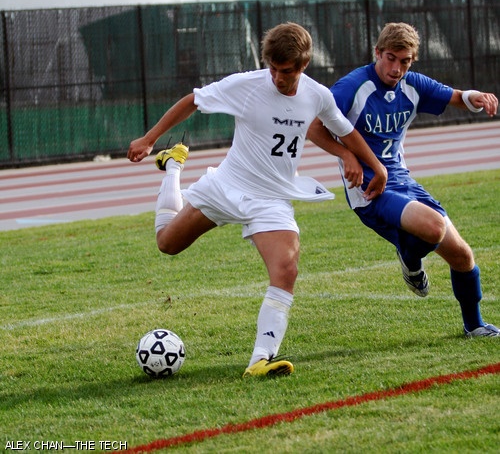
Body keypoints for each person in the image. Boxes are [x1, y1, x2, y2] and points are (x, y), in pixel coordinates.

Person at [127, 22, 388, 377]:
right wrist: (149, 138)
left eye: (288, 71)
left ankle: (260, 359)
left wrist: (370, 164)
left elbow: (346, 131)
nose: (279, 78)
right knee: (167, 244)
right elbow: (193, 100)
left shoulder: (317, 95)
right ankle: (173, 166)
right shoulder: (247, 85)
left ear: (304, 65)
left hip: (272, 199)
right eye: (274, 69)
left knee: (286, 269)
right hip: (227, 187)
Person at [308, 22, 499, 337]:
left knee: (462, 255)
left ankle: (474, 324)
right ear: (378, 53)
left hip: (402, 180)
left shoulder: (413, 85)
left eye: (405, 61)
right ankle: (410, 259)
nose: (396, 68)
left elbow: (456, 96)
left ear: (413, 61)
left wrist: (476, 96)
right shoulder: (352, 87)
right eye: (391, 58)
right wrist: (347, 156)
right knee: (434, 226)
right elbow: (315, 127)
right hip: (369, 190)